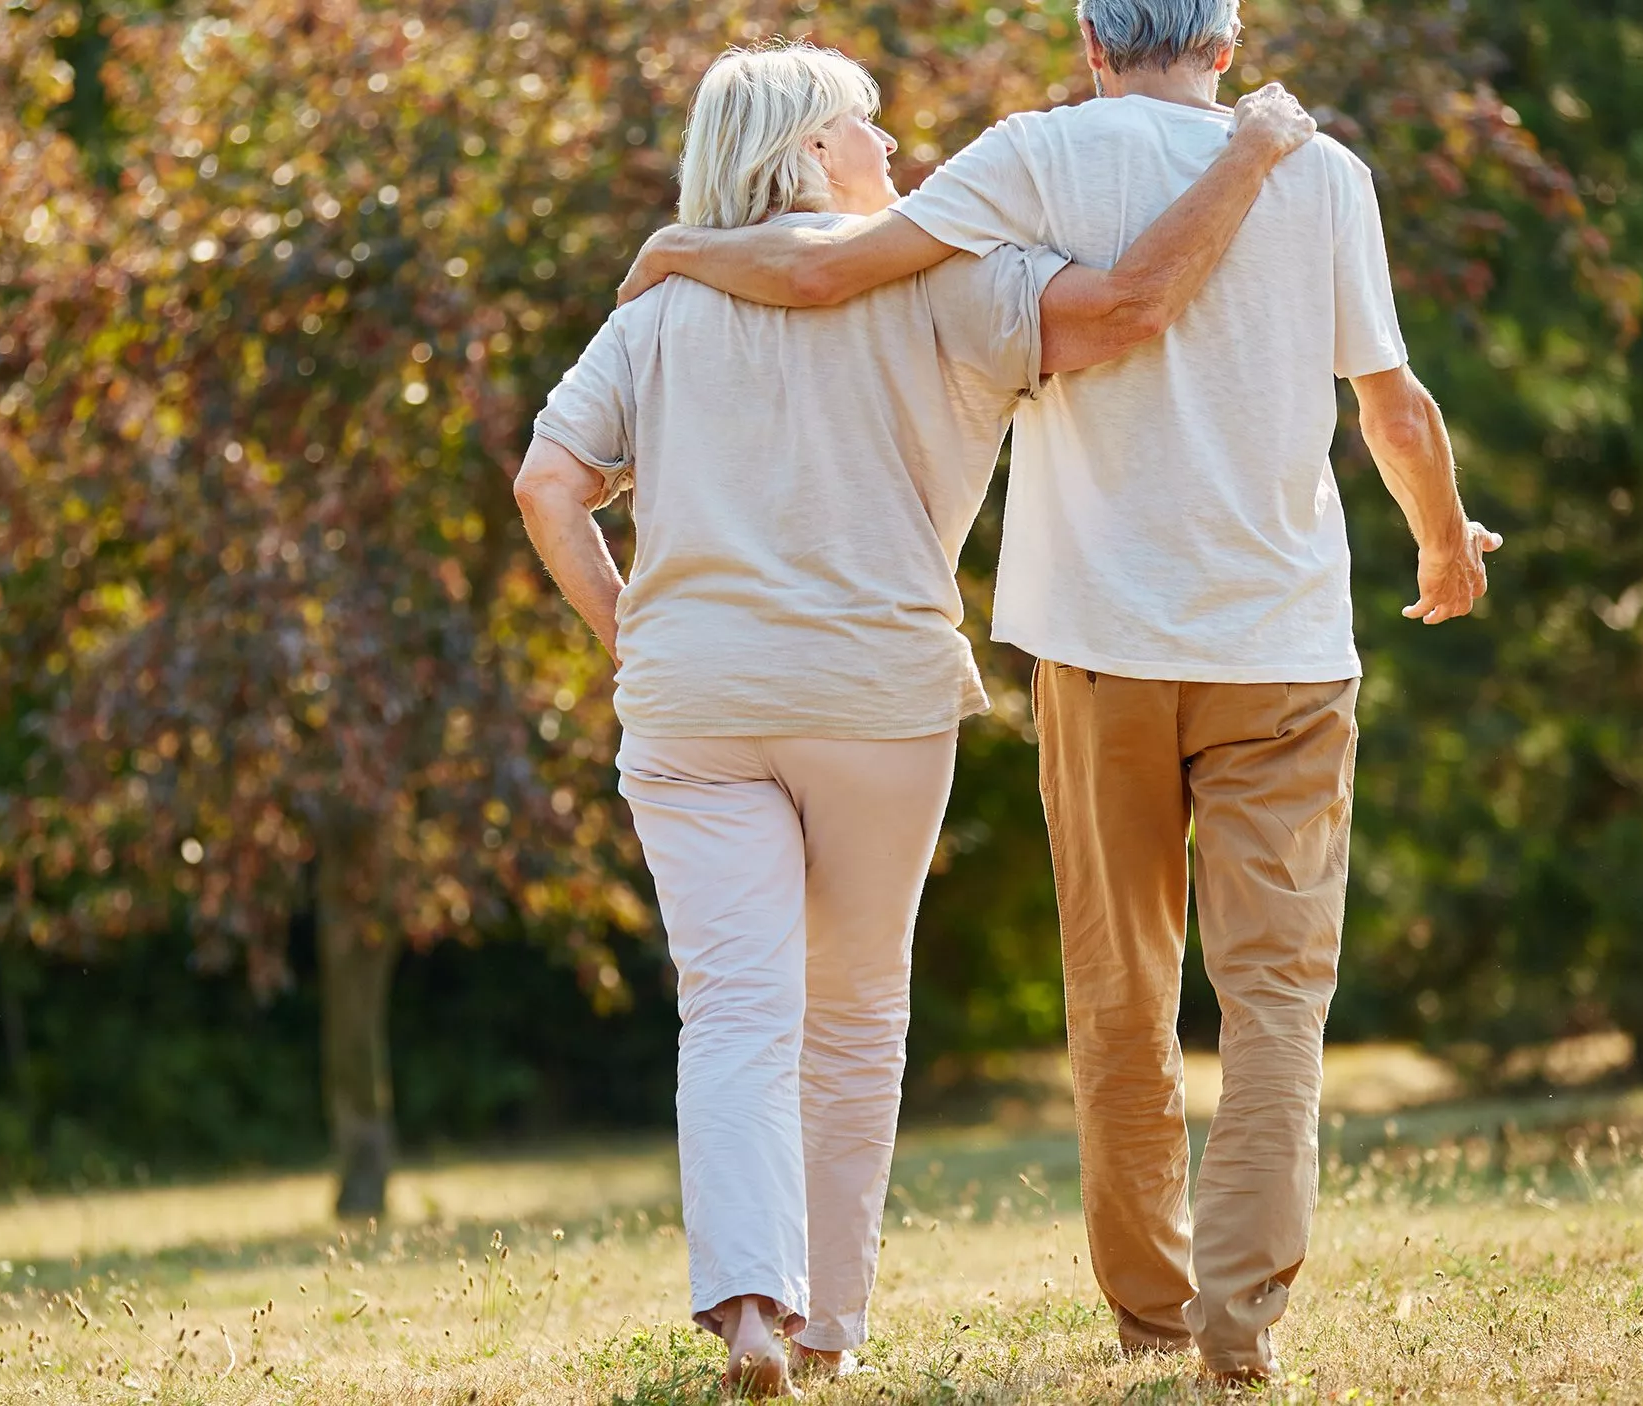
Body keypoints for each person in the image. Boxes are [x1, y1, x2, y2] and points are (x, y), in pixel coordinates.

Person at [617, 0, 1501, 1385]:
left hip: (1099, 647)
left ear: (1093, 43)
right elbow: (1394, 404)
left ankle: (1153, 1311)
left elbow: (824, 272)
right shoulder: (1324, 170)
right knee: (1276, 998)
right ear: (1228, 36)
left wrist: (680, 245)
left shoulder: (1030, 155)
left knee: (1120, 991)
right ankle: (1241, 1317)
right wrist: (1445, 539)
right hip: (1283, 652)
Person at [514, 38, 1314, 1397]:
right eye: (871, 128)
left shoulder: (660, 301)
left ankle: (753, 1307)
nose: (899, 153)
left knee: (734, 1009)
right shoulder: (953, 282)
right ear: (815, 149)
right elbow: (1122, 314)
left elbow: (549, 484)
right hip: (873, 694)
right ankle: (830, 1328)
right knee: (855, 1010)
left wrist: (630, 630)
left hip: (693, 698)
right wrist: (1250, 159)